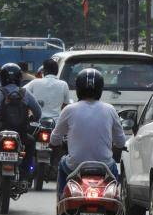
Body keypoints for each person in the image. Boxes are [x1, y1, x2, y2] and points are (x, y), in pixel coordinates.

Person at [50, 68, 126, 198]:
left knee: (62, 163)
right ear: (100, 89)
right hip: (105, 166)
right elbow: (121, 142)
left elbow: (55, 138)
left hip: (74, 166)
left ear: (78, 88)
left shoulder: (69, 110)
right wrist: (116, 146)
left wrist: (56, 144)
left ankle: (62, 199)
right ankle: (115, 199)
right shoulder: (110, 109)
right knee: (114, 168)